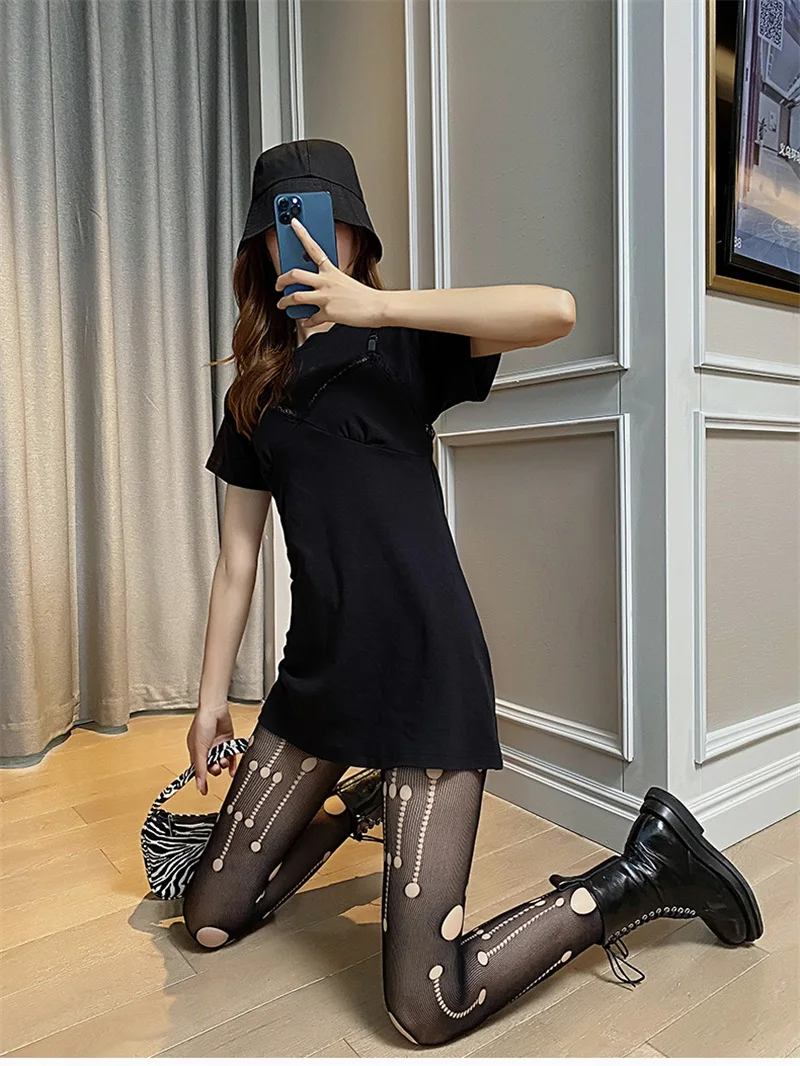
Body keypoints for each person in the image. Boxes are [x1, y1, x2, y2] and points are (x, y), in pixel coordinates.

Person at [181, 139, 763, 1047]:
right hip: (318, 677)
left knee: (426, 1008)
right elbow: (236, 561)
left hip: (425, 671)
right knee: (210, 917)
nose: (308, 240)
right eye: (284, 224)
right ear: (261, 243)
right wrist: (210, 700)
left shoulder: (399, 342)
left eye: (327, 219)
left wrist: (378, 305)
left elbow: (556, 310)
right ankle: (364, 801)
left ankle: (643, 873)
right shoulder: (253, 391)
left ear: (356, 232)